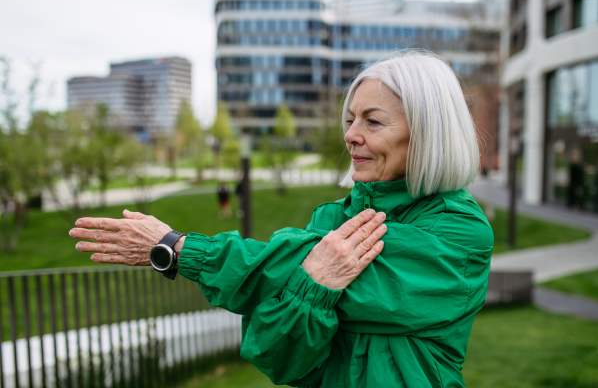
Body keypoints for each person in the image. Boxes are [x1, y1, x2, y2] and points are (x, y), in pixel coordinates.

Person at [70, 51, 493, 387]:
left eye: (373, 121)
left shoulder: (459, 231)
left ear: (427, 130)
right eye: (349, 120)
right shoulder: (332, 217)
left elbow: (288, 271)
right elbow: (281, 357)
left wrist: (179, 248)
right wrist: (310, 287)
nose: (350, 134)